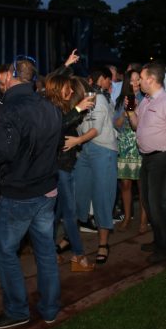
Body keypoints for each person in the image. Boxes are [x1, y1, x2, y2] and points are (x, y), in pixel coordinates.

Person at [0, 55, 62, 329]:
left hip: (21, 195)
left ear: (12, 75)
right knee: (46, 252)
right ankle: (50, 309)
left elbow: (2, 153)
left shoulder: (10, 107)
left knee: (4, 251)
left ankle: (17, 311)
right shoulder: (49, 105)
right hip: (47, 191)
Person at [126, 62, 166, 263]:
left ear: (151, 79)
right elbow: (136, 125)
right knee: (147, 201)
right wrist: (131, 109)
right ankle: (159, 240)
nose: (139, 81)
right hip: (148, 158)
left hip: (163, 157)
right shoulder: (147, 100)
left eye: (141, 78)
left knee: (156, 203)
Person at [45, 74, 95, 272]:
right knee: (70, 213)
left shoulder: (63, 107)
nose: (72, 91)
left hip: (66, 165)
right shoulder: (52, 109)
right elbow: (57, 126)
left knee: (56, 213)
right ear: (59, 89)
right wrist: (77, 109)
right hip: (60, 168)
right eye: (68, 88)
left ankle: (50, 252)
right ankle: (78, 256)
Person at [74, 66, 118, 264]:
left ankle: (103, 244)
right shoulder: (77, 104)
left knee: (102, 196)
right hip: (85, 149)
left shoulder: (98, 99)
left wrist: (75, 141)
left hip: (103, 149)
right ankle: (71, 239)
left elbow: (96, 130)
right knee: (78, 194)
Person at [113, 69, 148, 232]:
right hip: (125, 146)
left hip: (141, 145)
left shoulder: (147, 99)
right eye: (132, 80)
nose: (135, 83)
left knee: (142, 185)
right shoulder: (122, 100)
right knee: (125, 185)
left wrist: (137, 111)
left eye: (137, 80)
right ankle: (127, 217)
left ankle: (143, 220)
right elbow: (116, 124)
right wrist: (126, 115)